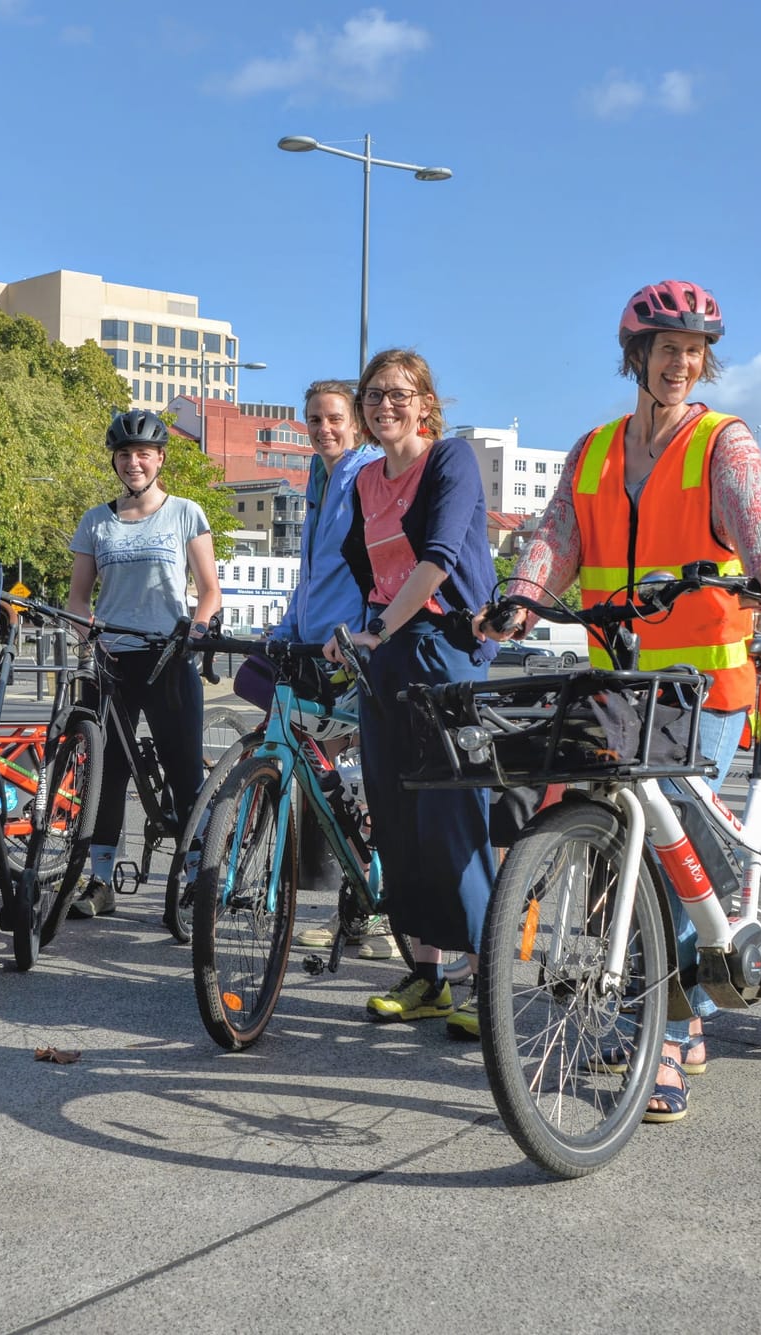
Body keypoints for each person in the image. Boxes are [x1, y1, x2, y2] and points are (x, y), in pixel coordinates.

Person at [491, 281, 761, 1121]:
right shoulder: (593, 450)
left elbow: (753, 513)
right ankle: (665, 1012)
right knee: (616, 851)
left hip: (705, 689)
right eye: (667, 349)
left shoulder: (722, 442)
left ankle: (668, 1030)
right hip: (622, 683)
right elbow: (556, 536)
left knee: (673, 854)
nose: (681, 364)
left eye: (694, 352)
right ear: (638, 356)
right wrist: (520, 596)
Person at [321, 349, 499, 1025]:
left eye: (399, 394)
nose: (384, 405)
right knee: (396, 818)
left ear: (425, 403)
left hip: (444, 646)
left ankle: (485, 981)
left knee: (452, 815)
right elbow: (364, 568)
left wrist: (378, 628)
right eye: (373, 394)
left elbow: (438, 559)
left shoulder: (450, 460)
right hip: (387, 649)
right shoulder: (366, 479)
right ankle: (426, 975)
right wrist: (356, 631)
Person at [66, 409, 223, 917]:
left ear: (159, 460)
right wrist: (86, 634)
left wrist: (196, 630)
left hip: (168, 657)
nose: (133, 462)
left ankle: (198, 875)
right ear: (114, 460)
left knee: (184, 771)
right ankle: (100, 880)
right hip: (113, 658)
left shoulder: (185, 513)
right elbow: (78, 598)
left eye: (143, 454)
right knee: (106, 773)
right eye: (124, 454)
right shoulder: (96, 520)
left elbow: (209, 591)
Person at [265, 380, 393, 959]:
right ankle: (357, 906)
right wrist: (286, 628)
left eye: (335, 418)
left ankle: (382, 915)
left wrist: (368, 632)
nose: (324, 429)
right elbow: (313, 572)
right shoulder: (319, 476)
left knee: (372, 778)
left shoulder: (365, 472)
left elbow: (375, 567)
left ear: (356, 423)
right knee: (325, 778)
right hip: (317, 647)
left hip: (355, 649)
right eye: (314, 419)